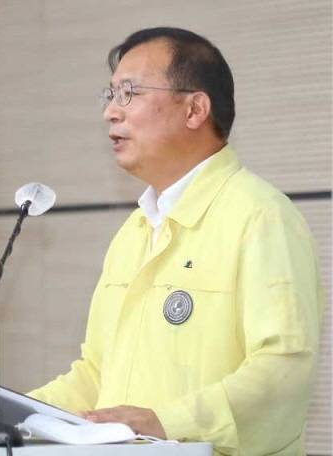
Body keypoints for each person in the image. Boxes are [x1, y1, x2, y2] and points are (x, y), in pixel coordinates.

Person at [28, 27, 323, 455]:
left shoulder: (261, 216)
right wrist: (6, 411)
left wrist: (167, 423)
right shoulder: (134, 231)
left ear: (194, 109)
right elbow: (95, 376)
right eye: (110, 95)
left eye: (129, 93)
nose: (110, 112)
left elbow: (284, 371)